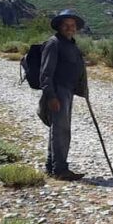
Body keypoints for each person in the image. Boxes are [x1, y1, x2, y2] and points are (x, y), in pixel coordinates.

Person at [39, 9, 89, 181]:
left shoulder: (70, 43)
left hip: (67, 91)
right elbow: (45, 74)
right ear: (60, 26)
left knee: (58, 130)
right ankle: (60, 170)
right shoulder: (54, 43)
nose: (70, 28)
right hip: (58, 91)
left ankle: (51, 167)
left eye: (72, 25)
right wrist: (51, 96)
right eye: (66, 25)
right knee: (62, 131)